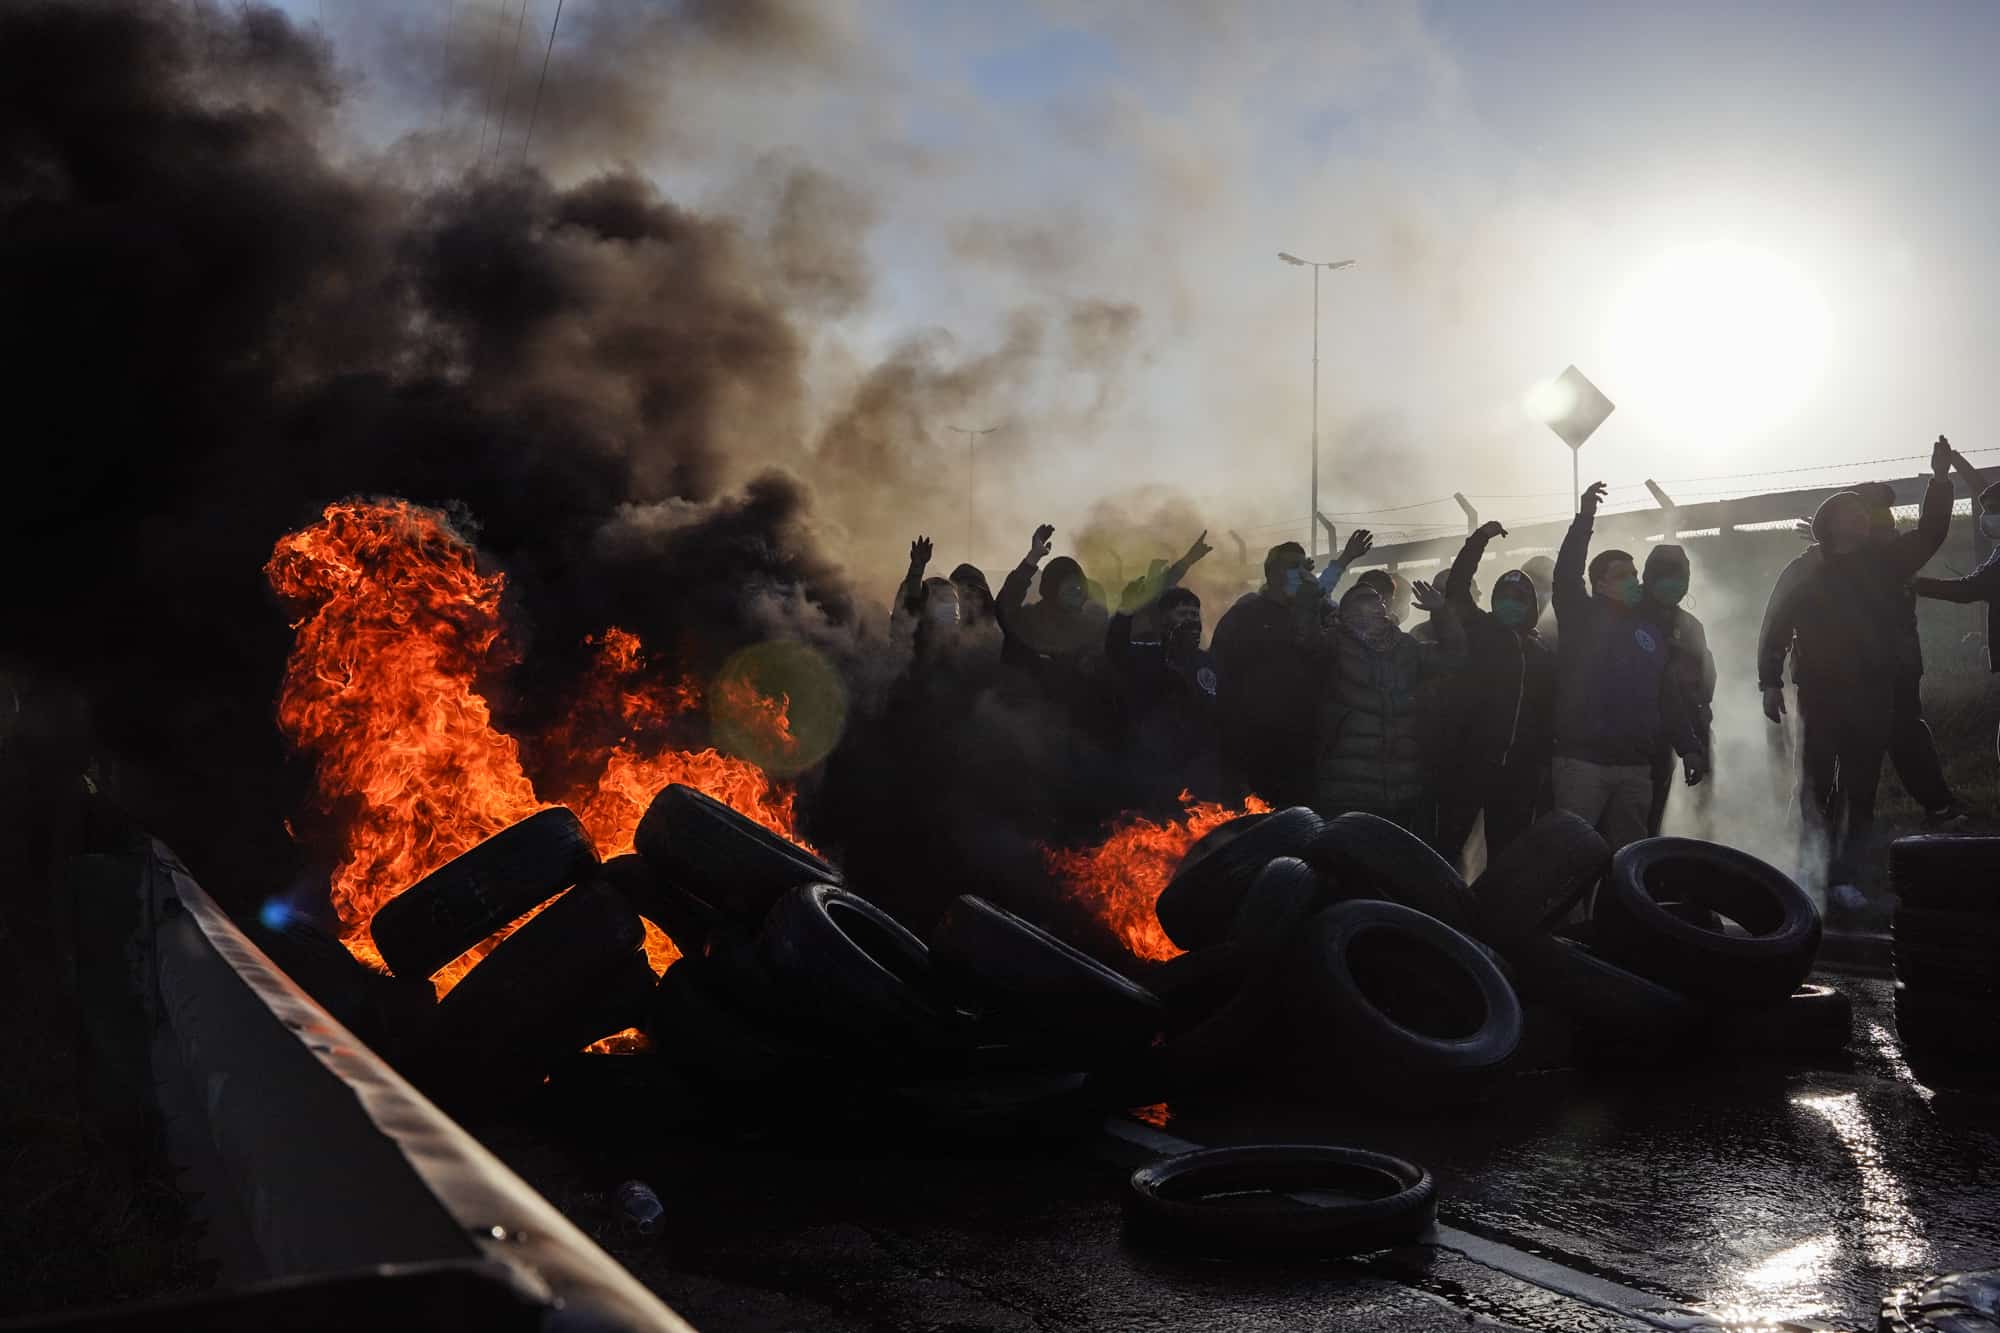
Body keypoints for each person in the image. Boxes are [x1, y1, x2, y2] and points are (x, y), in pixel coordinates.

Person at [1758, 438, 1955, 911]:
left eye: (1863, 515)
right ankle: (1807, 873)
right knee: (1816, 783)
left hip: (1873, 694)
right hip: (1821, 694)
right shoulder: (1805, 569)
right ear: (1829, 524)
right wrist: (1768, 680)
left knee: (1861, 790)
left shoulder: (1885, 564)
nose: (1864, 519)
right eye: (1853, 514)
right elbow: (1776, 625)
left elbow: (1930, 534)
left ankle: (1847, 879)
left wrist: (1941, 481)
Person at [1550, 481, 1706, 853]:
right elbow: (1565, 574)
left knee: (1628, 858)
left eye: (1634, 574)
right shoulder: (1580, 617)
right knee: (1574, 855)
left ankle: (1619, 913)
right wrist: (1585, 517)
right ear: (1599, 583)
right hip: (1582, 763)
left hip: (1635, 766)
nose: (1634, 581)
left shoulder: (1648, 629)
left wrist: (1689, 746)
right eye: (1622, 575)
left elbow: (1666, 693)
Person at [1435, 521, 1555, 864]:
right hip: (1470, 765)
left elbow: (1545, 712)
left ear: (1532, 604)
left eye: (1519, 599)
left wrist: (1541, 763)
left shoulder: (1540, 651)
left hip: (1519, 773)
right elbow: (1457, 585)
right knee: (1449, 845)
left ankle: (1496, 914)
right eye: (1503, 597)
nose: (1510, 604)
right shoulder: (1479, 630)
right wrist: (1479, 539)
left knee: (1507, 853)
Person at [1308, 577, 1463, 832]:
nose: (1376, 606)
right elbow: (1307, 643)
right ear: (1347, 612)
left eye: (1378, 600)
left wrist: (1442, 612)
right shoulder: (1334, 644)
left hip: (1402, 790)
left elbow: (1452, 657)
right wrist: (1308, 602)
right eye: (1364, 601)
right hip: (1348, 789)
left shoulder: (1406, 648)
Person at [1213, 537, 1350, 805]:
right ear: (1272, 572)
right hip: (1254, 742)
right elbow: (1221, 670)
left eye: (1304, 566)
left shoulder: (1317, 613)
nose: (1301, 572)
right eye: (1292, 566)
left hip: (1304, 741)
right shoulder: (1246, 614)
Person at [1106, 547, 1221, 806]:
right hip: (1155, 774)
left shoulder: (1207, 662)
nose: (1192, 621)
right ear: (1163, 620)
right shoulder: (1149, 656)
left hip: (1201, 773)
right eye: (1183, 614)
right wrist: (1125, 611)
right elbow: (1116, 649)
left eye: (1195, 615)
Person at [1639, 544, 1716, 837]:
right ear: (1648, 577)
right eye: (1664, 574)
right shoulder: (1628, 619)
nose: (1673, 583)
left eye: (1679, 576)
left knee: (1654, 819)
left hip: (1676, 736)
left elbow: (1702, 682)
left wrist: (1698, 742)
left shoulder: (1691, 626)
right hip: (1635, 739)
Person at [995, 523, 1107, 689]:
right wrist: (1032, 558)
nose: (1076, 590)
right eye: (1068, 584)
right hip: (1027, 709)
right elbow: (1005, 606)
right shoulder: (1029, 621)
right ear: (1052, 588)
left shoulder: (1089, 626)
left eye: (1079, 584)